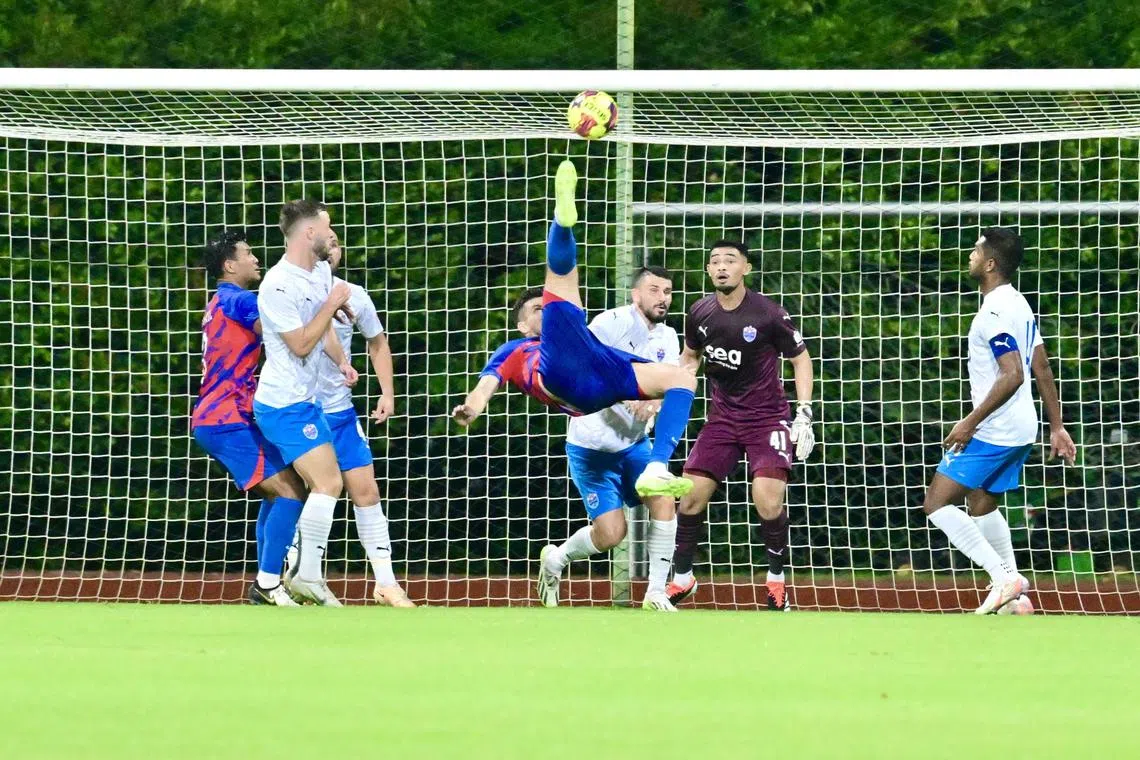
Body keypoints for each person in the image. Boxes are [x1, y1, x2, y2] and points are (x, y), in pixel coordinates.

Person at [453, 160, 697, 501]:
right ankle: (562, 223)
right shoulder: (514, 350)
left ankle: (657, 468)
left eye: (545, 306)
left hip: (598, 377)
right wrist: (473, 407)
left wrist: (651, 403)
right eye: (536, 309)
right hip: (562, 374)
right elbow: (485, 386)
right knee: (560, 275)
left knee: (683, 379)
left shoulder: (573, 331)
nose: (545, 309)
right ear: (522, 326)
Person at [922, 227, 1076, 614]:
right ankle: (1016, 597)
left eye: (976, 251)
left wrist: (970, 422)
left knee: (937, 504)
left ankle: (1002, 575)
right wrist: (1056, 426)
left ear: (990, 263)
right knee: (980, 501)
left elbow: (1014, 374)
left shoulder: (993, 311)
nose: (970, 256)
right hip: (1023, 428)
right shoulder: (1019, 303)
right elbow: (1041, 364)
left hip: (996, 429)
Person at [667, 240, 815, 611]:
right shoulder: (699, 312)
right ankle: (683, 579)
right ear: (707, 270)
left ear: (745, 268)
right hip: (722, 419)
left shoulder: (768, 314)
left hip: (767, 419)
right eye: (714, 261)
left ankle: (777, 582)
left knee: (767, 500)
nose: (721, 266)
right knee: (689, 497)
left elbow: (801, 359)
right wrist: (667, 394)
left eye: (730, 261)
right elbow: (689, 358)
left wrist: (805, 412)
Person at [536, 266, 682, 611]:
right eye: (654, 290)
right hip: (591, 447)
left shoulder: (669, 337)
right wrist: (625, 392)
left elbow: (671, 385)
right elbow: (579, 369)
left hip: (633, 446)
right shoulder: (610, 323)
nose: (662, 298)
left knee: (663, 499)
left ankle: (656, 593)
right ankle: (555, 560)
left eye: (668, 292)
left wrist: (655, 400)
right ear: (635, 294)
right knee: (611, 534)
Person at [191, 228, 306, 607]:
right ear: (229, 265)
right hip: (227, 418)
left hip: (223, 415)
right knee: (289, 492)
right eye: (248, 253)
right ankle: (268, 584)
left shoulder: (218, 301)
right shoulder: (239, 300)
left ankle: (268, 581)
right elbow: (283, 335)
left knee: (280, 494)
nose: (256, 259)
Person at [253, 199, 357, 606]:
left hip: (305, 401)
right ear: (308, 233)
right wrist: (331, 305)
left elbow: (323, 328)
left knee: (296, 490)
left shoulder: (318, 273)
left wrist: (343, 362)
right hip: (282, 404)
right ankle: (304, 575)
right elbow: (298, 344)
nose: (331, 235)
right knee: (328, 482)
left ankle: (272, 578)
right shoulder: (277, 284)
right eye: (326, 227)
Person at [311, 232, 414, 607]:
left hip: (339, 412)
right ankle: (296, 576)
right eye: (327, 241)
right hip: (299, 410)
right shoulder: (287, 289)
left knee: (367, 492)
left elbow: (377, 341)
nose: (333, 248)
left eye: (338, 241)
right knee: (301, 496)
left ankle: (386, 583)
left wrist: (387, 393)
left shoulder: (354, 294)